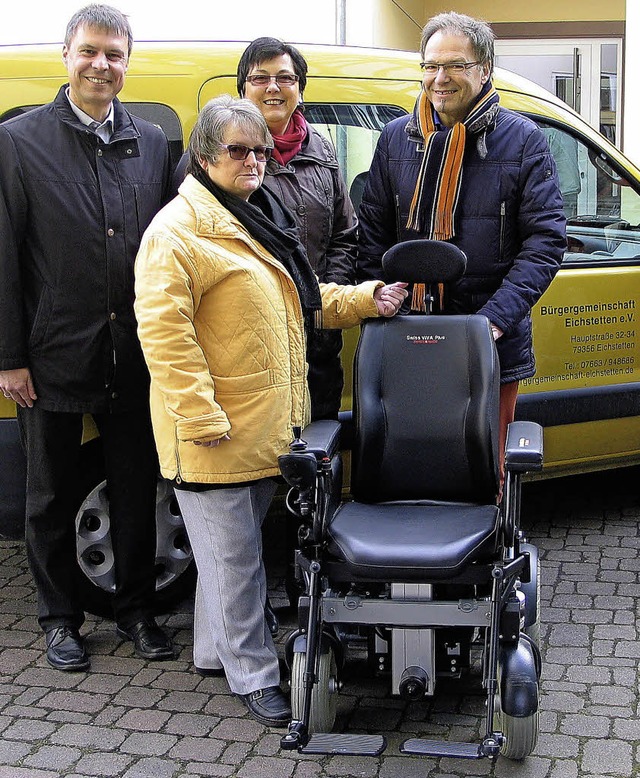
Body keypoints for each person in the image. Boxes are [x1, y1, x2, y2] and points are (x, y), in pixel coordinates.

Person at [133, 95, 407, 726]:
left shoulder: (251, 217)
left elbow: (299, 298)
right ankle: (255, 676)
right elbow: (166, 338)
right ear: (204, 157)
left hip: (260, 427)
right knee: (236, 564)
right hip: (214, 433)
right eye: (237, 150)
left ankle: (213, 652)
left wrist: (367, 298)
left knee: (225, 557)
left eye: (259, 149)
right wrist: (200, 418)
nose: (253, 160)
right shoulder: (177, 232)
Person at [0, 4, 174, 671]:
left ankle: (136, 610)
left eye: (116, 54)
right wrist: (10, 356)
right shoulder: (20, 142)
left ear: (129, 62)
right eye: (91, 51)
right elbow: (6, 258)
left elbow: (165, 249)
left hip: (132, 355)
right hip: (51, 355)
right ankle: (59, 619)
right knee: (47, 497)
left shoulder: (153, 143)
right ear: (66, 54)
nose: (103, 64)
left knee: (135, 489)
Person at [356, 11, 566, 479]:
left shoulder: (523, 140)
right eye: (430, 65)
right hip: (406, 335)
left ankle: (486, 547)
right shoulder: (395, 138)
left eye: (455, 65)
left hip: (487, 341)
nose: (440, 78)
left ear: (484, 69)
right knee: (412, 466)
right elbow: (372, 232)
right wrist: (379, 296)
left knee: (483, 469)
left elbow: (545, 241)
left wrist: (494, 319)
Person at [236, 37, 357, 422]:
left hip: (319, 345)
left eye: (285, 78)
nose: (273, 87)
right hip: (255, 349)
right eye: (260, 78)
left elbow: (345, 235)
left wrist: (322, 305)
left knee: (319, 454)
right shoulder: (223, 156)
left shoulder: (321, 150)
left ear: (299, 89)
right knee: (266, 462)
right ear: (243, 89)